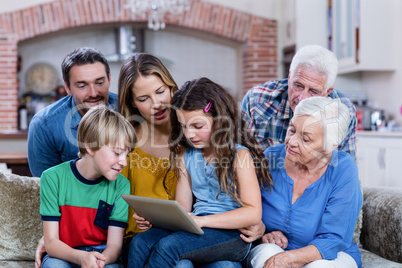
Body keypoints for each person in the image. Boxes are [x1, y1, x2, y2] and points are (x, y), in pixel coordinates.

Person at [128, 77, 274, 267]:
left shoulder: (239, 155)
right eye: (183, 126)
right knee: (140, 242)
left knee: (168, 247)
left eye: (197, 126)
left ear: (219, 121)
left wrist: (203, 221)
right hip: (198, 227)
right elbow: (183, 206)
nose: (189, 134)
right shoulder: (185, 153)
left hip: (234, 235)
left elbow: (253, 213)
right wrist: (155, 218)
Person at [119, 54, 242, 268]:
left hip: (202, 235)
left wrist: (258, 223)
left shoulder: (201, 131)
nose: (156, 104)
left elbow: (242, 191)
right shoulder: (125, 142)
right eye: (143, 98)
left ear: (171, 87)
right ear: (132, 102)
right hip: (149, 237)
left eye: (160, 92)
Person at [246, 96, 363, 268]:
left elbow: (334, 239)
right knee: (267, 254)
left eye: (305, 139)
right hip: (275, 249)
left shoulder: (343, 170)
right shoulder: (270, 158)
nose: (291, 142)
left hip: (331, 255)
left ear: (329, 146)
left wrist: (289, 259)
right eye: (292, 130)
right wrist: (263, 229)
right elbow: (245, 205)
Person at [39, 106, 136, 267]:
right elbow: (51, 242)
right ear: (90, 146)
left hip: (102, 255)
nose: (124, 162)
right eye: (118, 153)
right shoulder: (52, 178)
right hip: (64, 254)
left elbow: (115, 246)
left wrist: (99, 262)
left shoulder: (121, 185)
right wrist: (82, 258)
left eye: (127, 154)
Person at [241, 45, 357, 161]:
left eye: (313, 91)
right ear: (289, 77)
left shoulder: (343, 112)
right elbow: (239, 160)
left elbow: (344, 166)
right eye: (298, 86)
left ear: (327, 92)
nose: (302, 98)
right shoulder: (256, 101)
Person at [28, 47, 118, 178]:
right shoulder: (44, 125)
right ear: (68, 88)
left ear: (109, 79)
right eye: (82, 86)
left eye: (99, 82)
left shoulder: (129, 108)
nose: (93, 93)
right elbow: (46, 186)